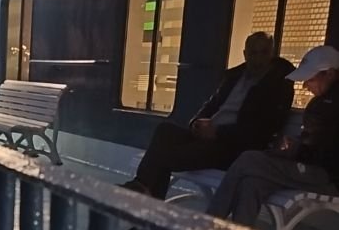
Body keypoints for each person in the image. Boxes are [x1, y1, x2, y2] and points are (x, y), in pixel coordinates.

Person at [123, 32, 294, 199]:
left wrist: (218, 132)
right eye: (253, 53)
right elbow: (212, 105)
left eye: (264, 52)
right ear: (245, 54)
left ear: (272, 53)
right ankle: (143, 189)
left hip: (234, 147)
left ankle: (143, 193)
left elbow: (261, 130)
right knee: (165, 130)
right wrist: (196, 123)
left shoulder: (279, 85)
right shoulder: (235, 77)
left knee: (165, 156)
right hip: (209, 137)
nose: (258, 59)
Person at [207, 45, 339, 228]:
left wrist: (297, 150)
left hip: (327, 176)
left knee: (249, 159)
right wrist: (292, 148)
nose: (305, 86)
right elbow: (313, 143)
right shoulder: (319, 103)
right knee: (251, 183)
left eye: (310, 79)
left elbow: (327, 151)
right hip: (310, 167)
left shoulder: (330, 104)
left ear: (330, 74)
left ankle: (208, 224)